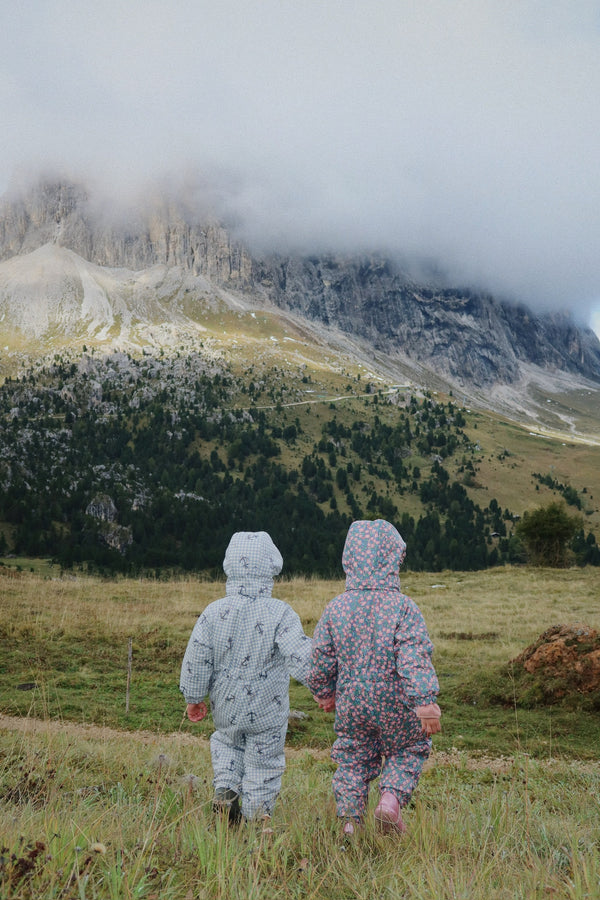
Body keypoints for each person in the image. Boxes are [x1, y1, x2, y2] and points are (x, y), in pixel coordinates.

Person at [307, 518, 441, 836]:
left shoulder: (336, 608)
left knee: (353, 758)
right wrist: (424, 701)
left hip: (352, 701)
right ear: (394, 560)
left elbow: (321, 654)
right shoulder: (403, 607)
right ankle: (390, 801)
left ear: (349, 559)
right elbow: (413, 656)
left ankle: (350, 823)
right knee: (408, 748)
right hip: (396, 702)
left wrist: (324, 691)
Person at [180, 530, 312, 823]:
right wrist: (324, 684)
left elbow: (197, 657)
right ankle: (257, 817)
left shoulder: (213, 612)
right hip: (267, 709)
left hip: (226, 705)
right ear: (271, 567)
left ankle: (226, 789)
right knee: (263, 762)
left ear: (229, 565)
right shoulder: (280, 613)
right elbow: (299, 654)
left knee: (228, 744)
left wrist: (193, 697)